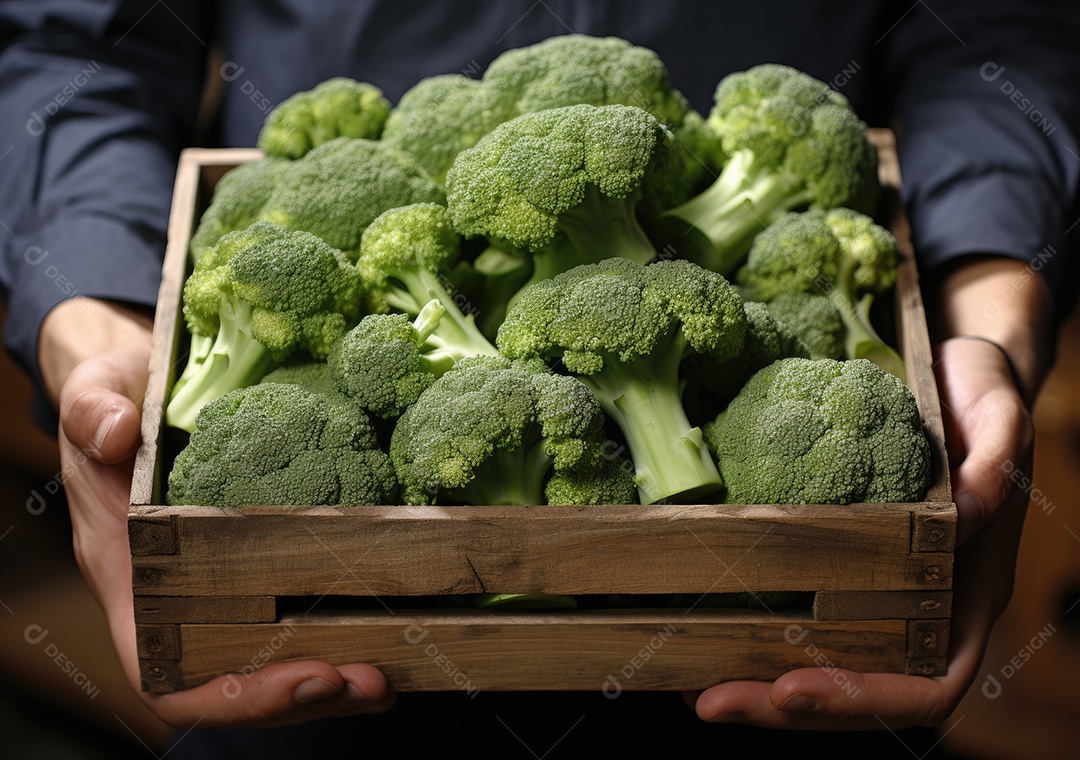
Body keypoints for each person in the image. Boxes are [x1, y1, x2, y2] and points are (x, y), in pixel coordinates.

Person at [2, 0, 1077, 754]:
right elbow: (70, 46)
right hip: (322, 646)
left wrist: (986, 320)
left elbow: (1000, 35)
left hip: (780, 625)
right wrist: (96, 322)